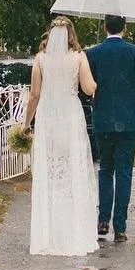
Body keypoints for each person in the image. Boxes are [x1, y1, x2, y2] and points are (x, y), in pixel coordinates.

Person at [24, 17, 99, 256]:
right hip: (70, 114)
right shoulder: (79, 57)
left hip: (47, 116)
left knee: (50, 171)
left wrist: (27, 123)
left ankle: (48, 233)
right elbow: (88, 88)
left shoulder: (40, 60)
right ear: (71, 35)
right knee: (72, 169)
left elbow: (34, 94)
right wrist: (94, 83)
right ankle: (74, 233)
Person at [86, 14, 135, 243]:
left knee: (106, 169)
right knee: (124, 172)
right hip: (128, 120)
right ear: (124, 28)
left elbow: (87, 87)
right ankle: (120, 227)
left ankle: (102, 219)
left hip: (103, 120)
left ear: (106, 27)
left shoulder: (94, 53)